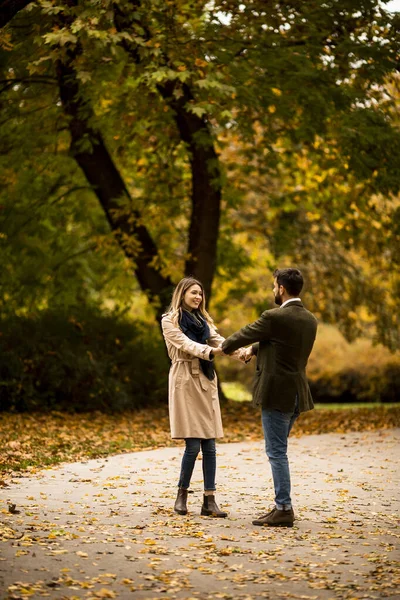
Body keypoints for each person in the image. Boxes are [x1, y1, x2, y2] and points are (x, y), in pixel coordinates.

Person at [222, 268, 318, 527]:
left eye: (274, 286)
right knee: (279, 450)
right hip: (297, 393)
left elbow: (245, 333)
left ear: (282, 289)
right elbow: (281, 344)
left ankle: (284, 509)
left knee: (277, 452)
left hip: (277, 395)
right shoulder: (309, 319)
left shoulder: (273, 317)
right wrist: (253, 350)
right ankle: (280, 505)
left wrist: (224, 347)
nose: (273, 290)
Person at [161, 277, 245, 517]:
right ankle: (182, 495)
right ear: (182, 293)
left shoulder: (203, 320)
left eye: (200, 293)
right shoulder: (169, 320)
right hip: (184, 379)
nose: (198, 297)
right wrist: (210, 351)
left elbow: (218, 340)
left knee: (210, 443)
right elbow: (186, 344)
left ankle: (210, 500)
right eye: (193, 293)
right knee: (193, 443)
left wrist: (240, 352)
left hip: (205, 380)